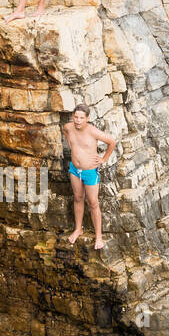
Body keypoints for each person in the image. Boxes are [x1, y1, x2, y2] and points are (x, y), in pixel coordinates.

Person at [63, 103, 118, 249]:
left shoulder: (93, 131)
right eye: (76, 117)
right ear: (73, 117)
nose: (78, 120)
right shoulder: (68, 127)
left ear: (87, 118)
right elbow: (66, 132)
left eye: (81, 118)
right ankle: (78, 229)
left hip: (90, 172)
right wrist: (72, 146)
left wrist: (103, 159)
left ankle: (98, 236)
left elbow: (112, 142)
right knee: (78, 198)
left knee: (93, 203)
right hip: (74, 170)